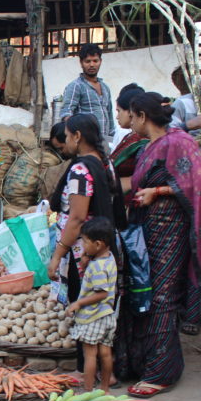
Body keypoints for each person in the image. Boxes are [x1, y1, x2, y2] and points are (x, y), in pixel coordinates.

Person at [125, 92, 201, 398]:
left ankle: (163, 372)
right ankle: (151, 361)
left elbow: (196, 184)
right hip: (150, 229)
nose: (130, 121)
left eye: (132, 115)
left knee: (163, 296)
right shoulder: (150, 144)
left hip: (171, 230)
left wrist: (158, 191)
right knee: (149, 293)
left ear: (141, 116)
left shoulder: (179, 142)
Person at [47, 114, 126, 306]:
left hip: (82, 250)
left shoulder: (80, 171)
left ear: (77, 136)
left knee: (83, 302)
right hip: (103, 248)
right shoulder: (106, 163)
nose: (65, 141)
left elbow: (77, 218)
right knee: (99, 302)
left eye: (66, 136)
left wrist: (57, 256)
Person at [66, 216, 118, 392]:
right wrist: (87, 258)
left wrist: (78, 303)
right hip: (108, 315)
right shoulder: (109, 258)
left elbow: (101, 293)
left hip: (93, 317)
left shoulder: (97, 267)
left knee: (90, 355)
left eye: (85, 242)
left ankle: (88, 391)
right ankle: (104, 389)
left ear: (98, 244)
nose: (82, 245)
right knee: (105, 353)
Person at [60, 43, 114, 142]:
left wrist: (112, 137)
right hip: (85, 142)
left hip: (105, 142)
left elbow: (110, 116)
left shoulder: (105, 88)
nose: (92, 65)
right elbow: (66, 113)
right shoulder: (76, 86)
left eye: (95, 61)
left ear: (100, 61)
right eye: (87, 61)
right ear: (81, 63)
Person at [110, 83, 148, 203]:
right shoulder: (129, 136)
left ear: (131, 112)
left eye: (119, 111)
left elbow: (140, 178)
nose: (117, 117)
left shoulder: (143, 142)